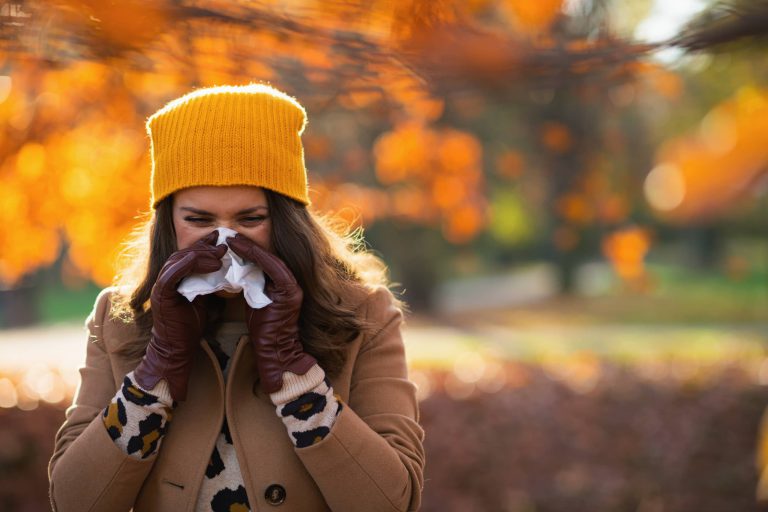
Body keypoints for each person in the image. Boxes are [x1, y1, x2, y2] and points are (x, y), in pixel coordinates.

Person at [47, 83, 425, 512]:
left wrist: (295, 376)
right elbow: (73, 501)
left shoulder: (363, 315)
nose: (225, 241)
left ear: (285, 221)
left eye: (250, 219)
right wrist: (158, 370)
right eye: (199, 219)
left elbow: (392, 503)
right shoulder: (119, 320)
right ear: (169, 223)